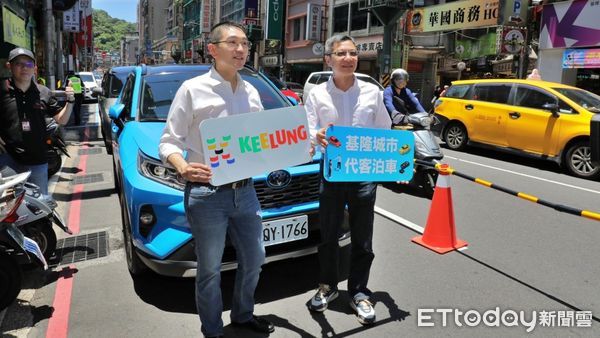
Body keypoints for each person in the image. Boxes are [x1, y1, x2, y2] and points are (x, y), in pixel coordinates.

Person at [158, 22, 274, 338]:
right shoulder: (192, 89)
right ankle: (212, 330)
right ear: (213, 49)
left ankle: (243, 314)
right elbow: (169, 140)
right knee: (209, 270)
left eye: (245, 44)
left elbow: (264, 137)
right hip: (206, 194)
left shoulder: (251, 91)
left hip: (246, 191)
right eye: (233, 43)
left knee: (256, 258)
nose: (241, 50)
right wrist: (182, 166)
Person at [304, 34, 392, 325]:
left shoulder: (372, 92)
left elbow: (384, 129)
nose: (348, 58)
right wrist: (315, 136)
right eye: (341, 53)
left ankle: (359, 292)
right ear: (328, 59)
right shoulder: (316, 94)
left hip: (363, 174)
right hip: (330, 173)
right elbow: (307, 132)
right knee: (328, 236)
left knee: (362, 239)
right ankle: (328, 287)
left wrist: (392, 168)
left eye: (352, 53)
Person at [0, 47, 75, 196]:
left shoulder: (43, 92)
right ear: (9, 66)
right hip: (8, 161)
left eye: (28, 64)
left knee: (39, 204)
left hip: (38, 159)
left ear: (34, 68)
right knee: (10, 209)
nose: (24, 68)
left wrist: (70, 101)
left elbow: (61, 119)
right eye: (18, 64)